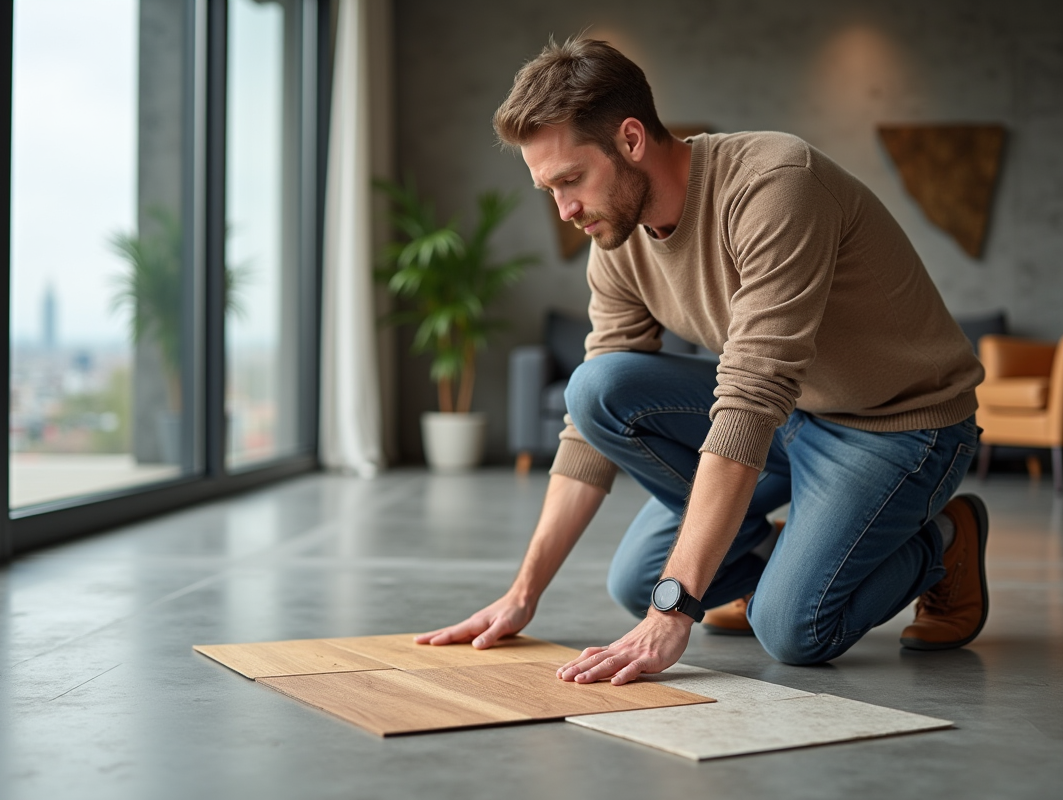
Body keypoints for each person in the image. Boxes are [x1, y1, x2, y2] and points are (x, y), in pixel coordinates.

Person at [414, 37, 989, 684]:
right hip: (794, 415)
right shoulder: (617, 240)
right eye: (548, 189)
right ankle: (779, 551)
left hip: (898, 425)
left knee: (791, 630)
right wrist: (523, 594)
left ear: (631, 139)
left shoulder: (775, 185)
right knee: (611, 453)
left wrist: (677, 608)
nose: (566, 210)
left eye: (571, 179)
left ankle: (945, 541)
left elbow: (750, 396)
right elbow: (589, 430)